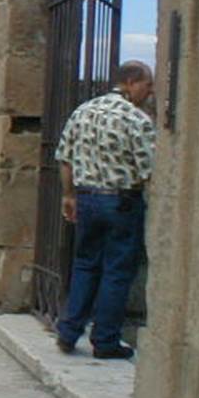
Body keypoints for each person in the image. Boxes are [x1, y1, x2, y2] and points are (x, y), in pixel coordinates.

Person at [54, 61, 156, 360]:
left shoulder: (83, 111)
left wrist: (68, 195)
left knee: (85, 263)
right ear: (132, 82)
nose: (150, 91)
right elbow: (150, 168)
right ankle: (105, 338)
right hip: (122, 201)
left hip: (87, 198)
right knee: (117, 270)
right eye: (147, 84)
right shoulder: (136, 119)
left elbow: (64, 156)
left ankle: (68, 330)